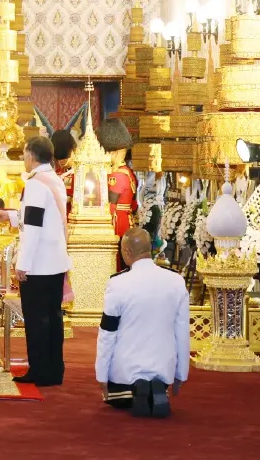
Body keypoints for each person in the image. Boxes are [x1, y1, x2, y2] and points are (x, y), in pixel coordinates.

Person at [96, 227, 190, 417]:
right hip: (163, 366)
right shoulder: (176, 281)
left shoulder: (118, 283)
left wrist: (102, 375)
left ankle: (138, 389)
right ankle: (156, 387)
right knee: (158, 373)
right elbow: (182, 332)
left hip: (125, 369)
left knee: (116, 399)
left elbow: (107, 332)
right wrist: (180, 375)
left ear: (127, 252)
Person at [13, 136, 71, 387]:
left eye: (25, 155)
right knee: (53, 319)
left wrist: (22, 263)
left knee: (37, 320)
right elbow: (39, 218)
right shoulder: (55, 180)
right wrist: (8, 216)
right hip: (56, 262)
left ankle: (39, 370)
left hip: (39, 264)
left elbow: (33, 226)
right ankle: (54, 369)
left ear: (31, 157)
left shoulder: (36, 184)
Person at [100, 117, 137, 272]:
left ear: (113, 153)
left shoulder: (118, 176)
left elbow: (111, 205)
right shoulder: (125, 172)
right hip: (125, 222)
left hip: (118, 224)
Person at [51, 129, 77, 217]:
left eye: (64, 159)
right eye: (58, 159)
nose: (61, 162)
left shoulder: (79, 173)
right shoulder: (56, 173)